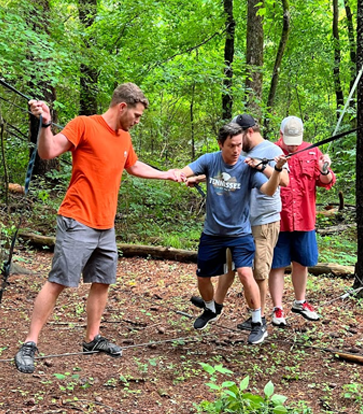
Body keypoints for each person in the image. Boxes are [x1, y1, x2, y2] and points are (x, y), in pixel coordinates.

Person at [14, 82, 185, 374]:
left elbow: (134, 166)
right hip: (77, 218)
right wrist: (44, 124)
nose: (137, 121)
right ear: (122, 107)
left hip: (106, 225)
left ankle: (92, 338)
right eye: (137, 115)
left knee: (102, 280)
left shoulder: (123, 138)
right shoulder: (84, 125)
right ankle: (30, 343)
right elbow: (49, 151)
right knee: (58, 281)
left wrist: (166, 174)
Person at [181, 121, 287, 345]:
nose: (237, 150)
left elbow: (269, 190)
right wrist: (179, 175)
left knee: (246, 274)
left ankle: (258, 322)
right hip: (212, 233)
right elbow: (187, 170)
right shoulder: (210, 160)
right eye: (232, 145)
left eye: (239, 145)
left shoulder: (248, 166)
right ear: (221, 144)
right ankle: (210, 308)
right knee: (203, 277)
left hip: (240, 233)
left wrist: (275, 170)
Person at [268, 116, 336, 324]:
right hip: (278, 218)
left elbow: (326, 181)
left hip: (305, 218)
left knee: (302, 262)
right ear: (280, 135)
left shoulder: (312, 151)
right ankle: (277, 309)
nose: (293, 144)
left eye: (296, 139)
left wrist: (324, 169)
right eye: (289, 140)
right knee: (277, 265)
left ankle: (300, 301)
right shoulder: (270, 151)